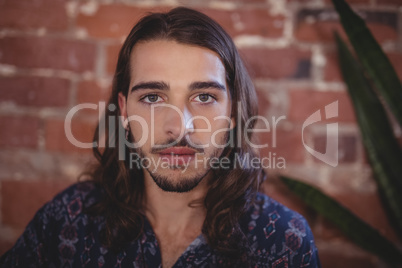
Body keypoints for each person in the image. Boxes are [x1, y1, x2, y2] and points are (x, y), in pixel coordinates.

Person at [0, 7, 321, 267]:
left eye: (205, 97)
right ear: (124, 112)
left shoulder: (281, 241)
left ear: (233, 113)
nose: (178, 128)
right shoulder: (67, 220)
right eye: (153, 97)